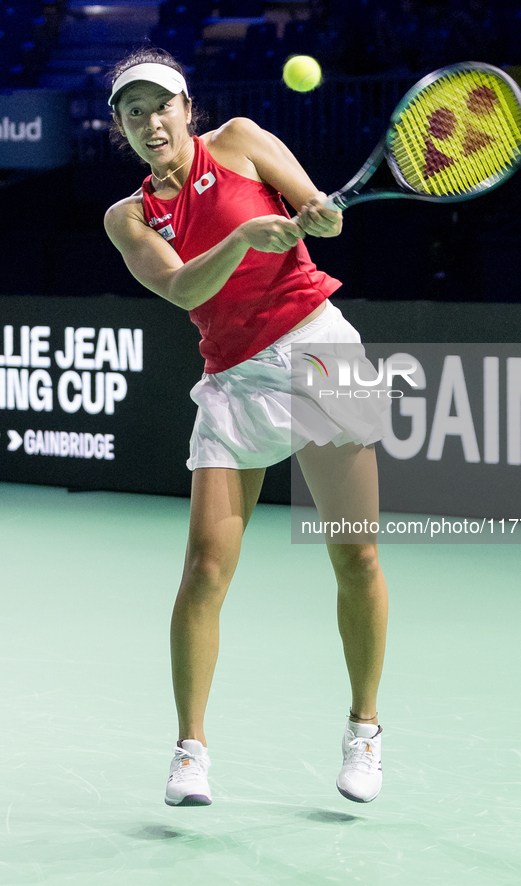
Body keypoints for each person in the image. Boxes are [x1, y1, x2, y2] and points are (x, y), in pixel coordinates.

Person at [104, 47, 389, 807]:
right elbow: (176, 286)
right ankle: (190, 751)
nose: (149, 121)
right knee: (203, 569)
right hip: (233, 378)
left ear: (185, 108)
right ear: (121, 128)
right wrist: (239, 241)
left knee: (355, 550)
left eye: (159, 105)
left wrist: (316, 215)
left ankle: (364, 727)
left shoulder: (242, 139)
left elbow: (311, 213)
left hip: (319, 349)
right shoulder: (127, 217)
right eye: (132, 111)